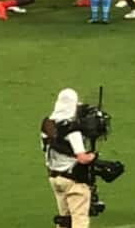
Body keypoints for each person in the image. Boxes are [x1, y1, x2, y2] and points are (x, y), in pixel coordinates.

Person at [41, 89, 96, 228]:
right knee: (79, 220)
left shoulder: (47, 124)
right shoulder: (72, 129)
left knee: (65, 220)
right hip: (73, 180)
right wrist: (93, 156)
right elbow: (82, 158)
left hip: (55, 179)